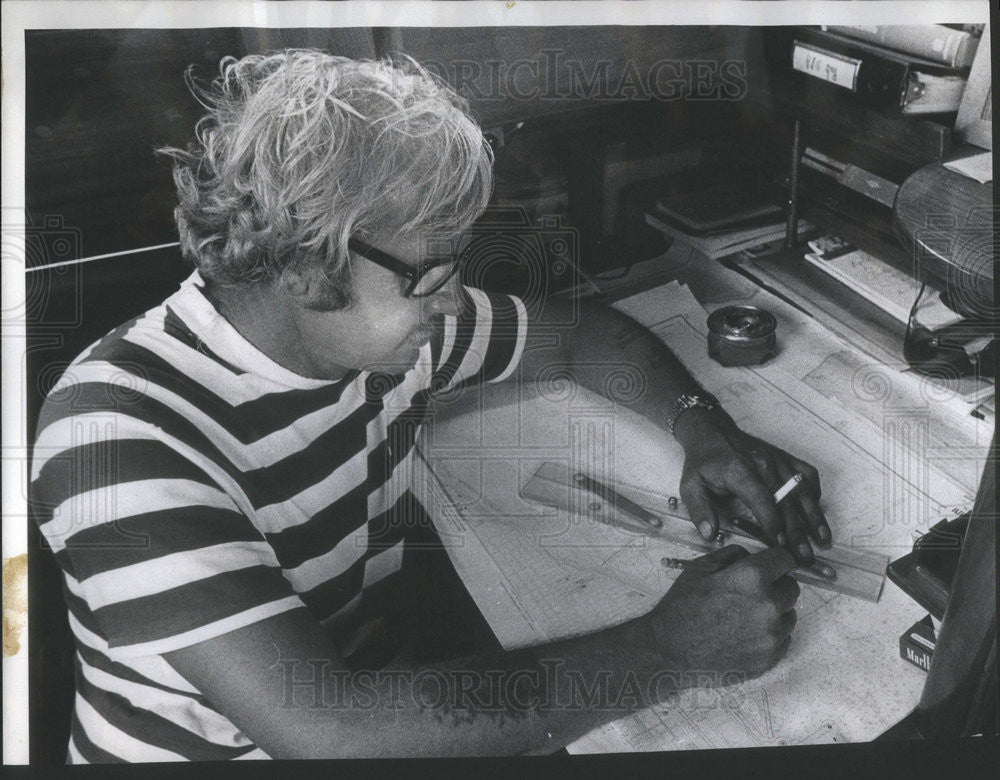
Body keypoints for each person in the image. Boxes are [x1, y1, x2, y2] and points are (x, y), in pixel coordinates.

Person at [30, 50, 831, 762]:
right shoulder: (112, 437)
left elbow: (583, 335)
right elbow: (327, 732)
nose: (452, 301)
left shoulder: (374, 337)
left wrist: (704, 428)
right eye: (429, 271)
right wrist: (667, 652)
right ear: (309, 269)